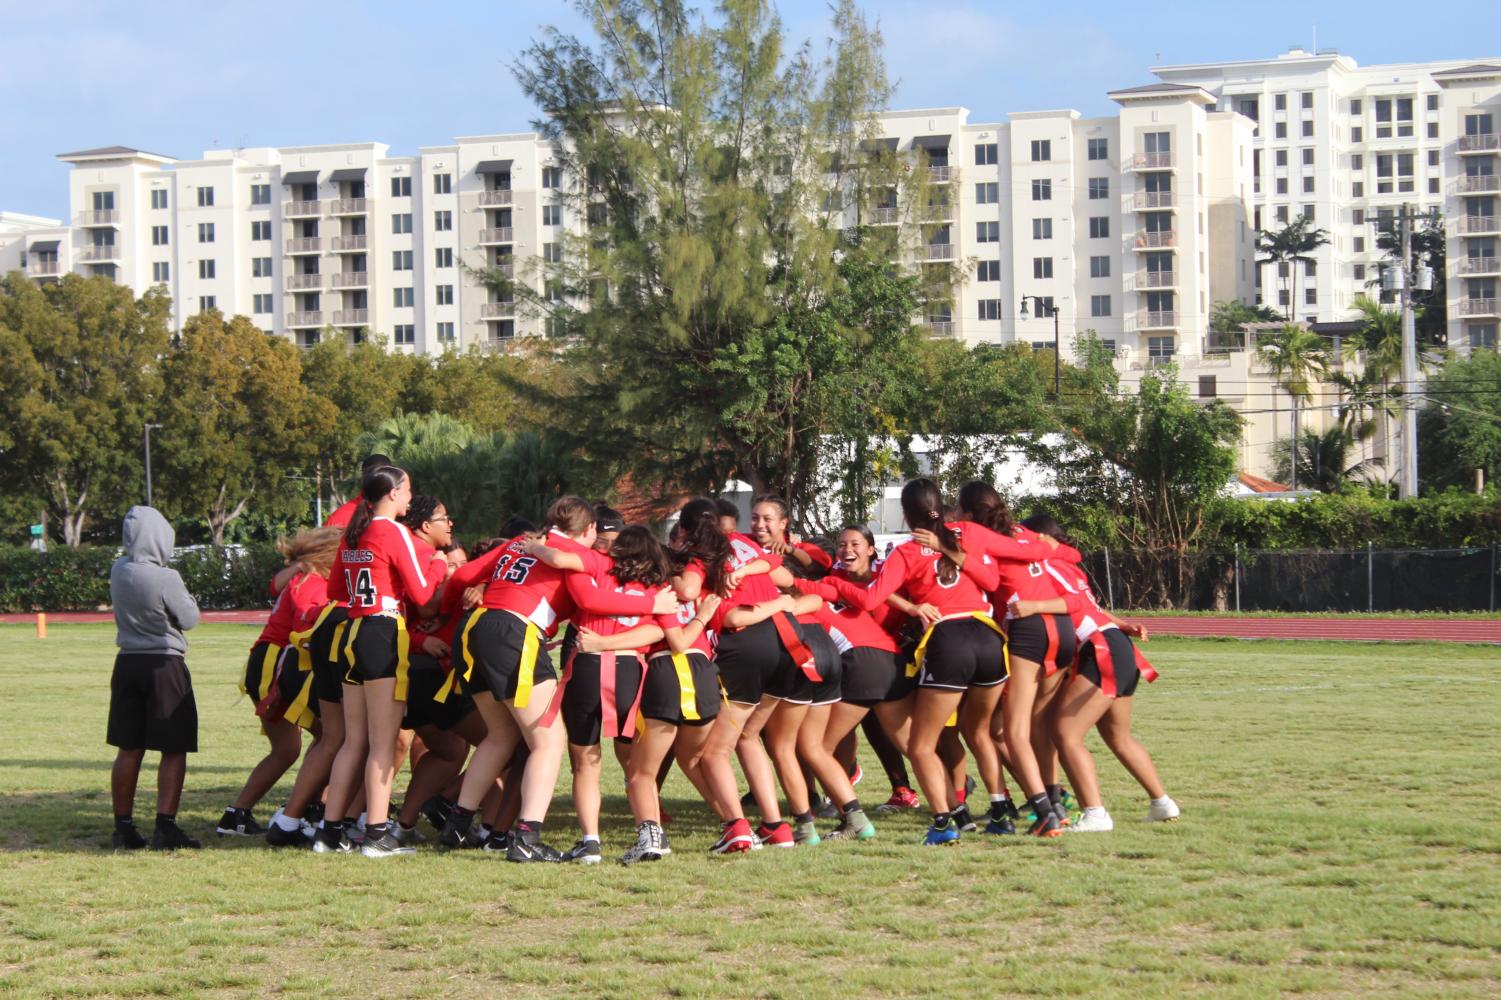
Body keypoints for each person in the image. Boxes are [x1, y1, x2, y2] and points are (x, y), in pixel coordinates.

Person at [435, 497, 676, 861]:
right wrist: (652, 606)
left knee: (501, 736)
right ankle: (527, 839)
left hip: (475, 630)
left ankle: (457, 822)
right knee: (549, 740)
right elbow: (589, 599)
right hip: (515, 633)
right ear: (590, 529)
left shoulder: (520, 542)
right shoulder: (584, 556)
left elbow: (466, 576)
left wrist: (440, 613)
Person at [809, 479, 1016, 846]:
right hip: (988, 637)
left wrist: (840, 587)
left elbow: (872, 599)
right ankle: (1000, 810)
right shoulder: (964, 533)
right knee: (979, 731)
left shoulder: (906, 552)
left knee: (923, 744)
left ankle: (943, 822)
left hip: (949, 639)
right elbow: (992, 579)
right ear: (943, 505)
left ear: (905, 514)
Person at [921, 483, 1083, 836]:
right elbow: (1070, 555)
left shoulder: (972, 531)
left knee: (1013, 731)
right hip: (1061, 627)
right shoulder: (1023, 533)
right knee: (1034, 726)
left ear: (966, 511)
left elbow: (932, 519)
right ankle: (1054, 801)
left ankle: (1045, 813)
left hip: (1027, 627)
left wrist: (933, 516)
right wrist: (1044, 549)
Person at [1011, 513, 1179, 831]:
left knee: (1064, 731)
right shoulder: (1069, 567)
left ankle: (1095, 813)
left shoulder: (1047, 565)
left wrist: (1034, 607)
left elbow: (1073, 604)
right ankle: (1162, 802)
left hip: (1100, 649)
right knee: (1118, 736)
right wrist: (1123, 624)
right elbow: (1092, 608)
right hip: (1114, 645)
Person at [313, 464, 440, 858]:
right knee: (382, 745)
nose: (409, 498)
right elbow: (421, 594)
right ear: (391, 493)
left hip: (351, 632)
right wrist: (438, 565)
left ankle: (328, 833)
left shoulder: (354, 533)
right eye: (406, 491)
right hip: (382, 632)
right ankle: (376, 835)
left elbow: (335, 589)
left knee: (354, 741)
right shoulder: (392, 531)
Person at [218, 526, 340, 837]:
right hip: (276, 661)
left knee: (316, 740)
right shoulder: (312, 578)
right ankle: (303, 810)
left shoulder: (307, 576)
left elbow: (278, 587)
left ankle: (243, 814)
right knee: (324, 739)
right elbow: (305, 614)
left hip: (277, 660)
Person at [107, 506, 202, 851]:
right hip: (164, 664)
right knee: (174, 746)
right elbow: (189, 618)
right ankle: (165, 825)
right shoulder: (166, 577)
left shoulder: (118, 569)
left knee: (129, 747)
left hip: (127, 662)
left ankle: (124, 826)